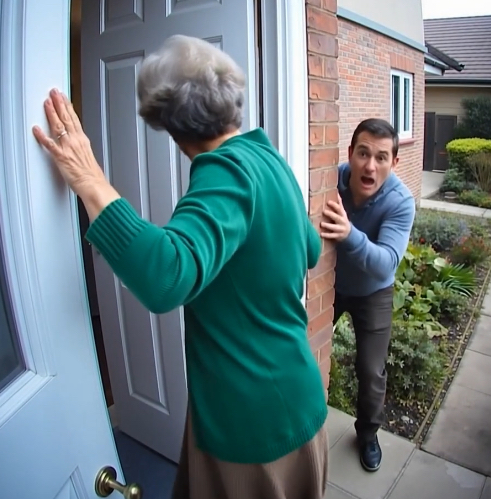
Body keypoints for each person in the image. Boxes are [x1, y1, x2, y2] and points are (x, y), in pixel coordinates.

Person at [33, 35, 328, 499]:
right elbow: (309, 249)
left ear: (168, 125)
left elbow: (166, 275)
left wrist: (90, 180)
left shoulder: (225, 170)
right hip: (298, 397)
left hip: (251, 423)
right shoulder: (268, 158)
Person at [320, 118, 415, 473]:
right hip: (329, 283)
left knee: (371, 370)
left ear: (394, 162)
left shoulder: (400, 202)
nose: (370, 166)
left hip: (373, 291)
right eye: (363, 153)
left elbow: (386, 262)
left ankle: (368, 434)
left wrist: (349, 234)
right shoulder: (331, 181)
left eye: (381, 157)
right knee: (300, 341)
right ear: (350, 153)